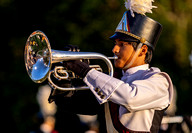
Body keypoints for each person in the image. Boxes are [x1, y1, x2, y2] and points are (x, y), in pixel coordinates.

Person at [48, 4, 173, 133]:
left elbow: (129, 98)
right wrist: (66, 81)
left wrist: (85, 71)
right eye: (115, 44)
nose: (114, 49)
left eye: (122, 44)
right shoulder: (113, 80)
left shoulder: (159, 81)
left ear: (143, 50)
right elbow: (77, 105)